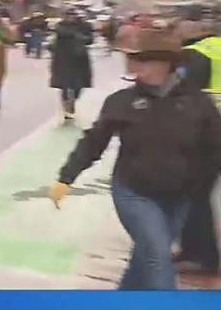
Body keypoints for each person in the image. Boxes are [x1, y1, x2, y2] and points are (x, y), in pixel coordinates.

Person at [49, 24, 221, 290]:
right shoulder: (122, 102)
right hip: (133, 190)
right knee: (158, 254)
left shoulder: (199, 105)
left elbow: (214, 148)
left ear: (166, 64)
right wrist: (66, 177)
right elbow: (94, 141)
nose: (134, 67)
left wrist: (199, 185)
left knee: (145, 256)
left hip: (180, 195)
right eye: (132, 59)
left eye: (142, 60)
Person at [177, 23, 221, 275]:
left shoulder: (196, 53)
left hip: (206, 134)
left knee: (195, 194)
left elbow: (185, 96)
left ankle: (201, 256)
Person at [50, 7, 94, 121]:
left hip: (80, 59)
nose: (70, 17)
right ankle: (66, 107)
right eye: (67, 15)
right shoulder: (60, 25)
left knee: (79, 85)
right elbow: (61, 33)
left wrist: (82, 38)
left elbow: (90, 39)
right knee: (63, 84)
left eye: (72, 15)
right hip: (63, 58)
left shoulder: (85, 26)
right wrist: (76, 35)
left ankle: (73, 101)